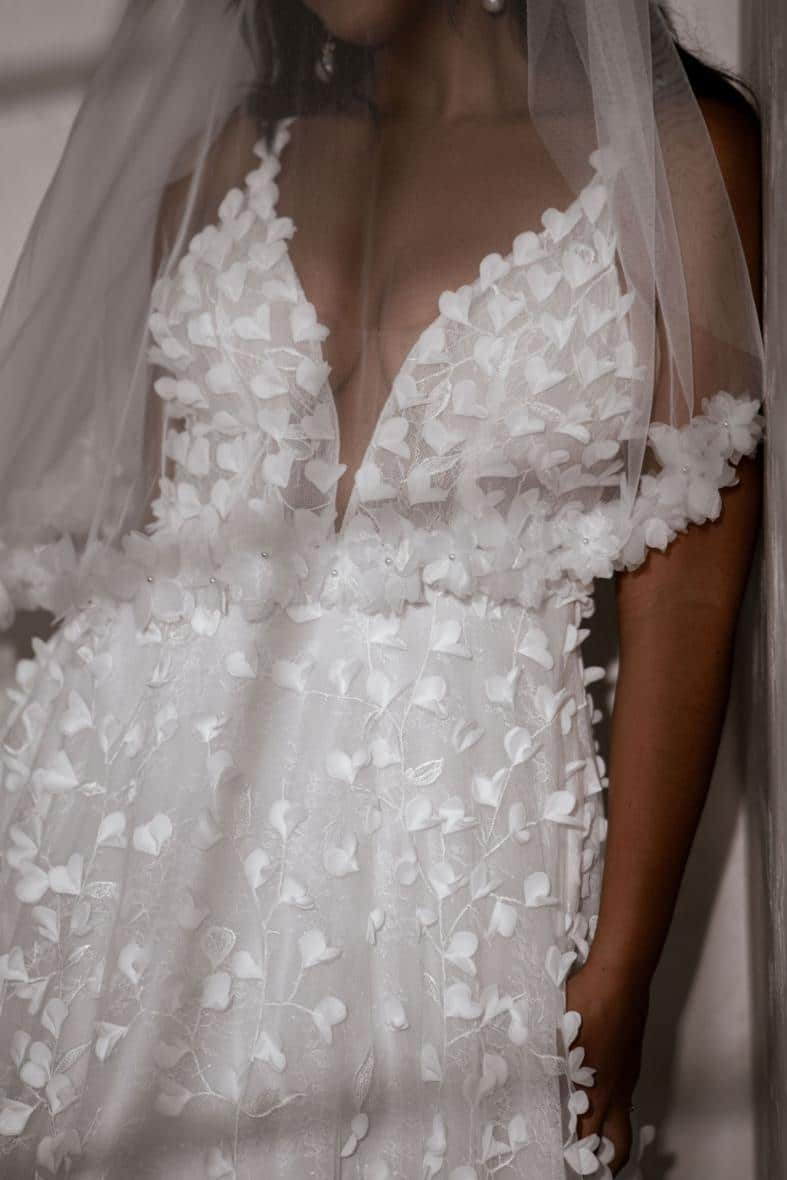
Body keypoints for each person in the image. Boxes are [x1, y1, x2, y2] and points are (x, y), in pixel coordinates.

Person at [0, 2, 765, 1177]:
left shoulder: (680, 159)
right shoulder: (222, 165)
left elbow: (689, 582)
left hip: (450, 858)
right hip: (130, 833)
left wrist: (624, 959)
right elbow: (155, 546)